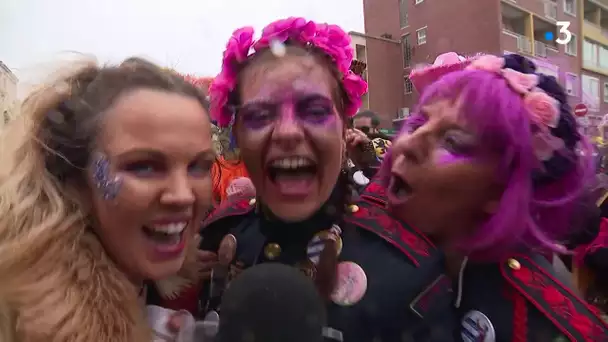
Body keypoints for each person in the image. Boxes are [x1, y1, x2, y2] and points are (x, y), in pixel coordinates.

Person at [150, 17, 457, 342]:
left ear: (343, 127)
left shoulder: (408, 271)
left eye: (313, 111)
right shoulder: (211, 240)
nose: (287, 133)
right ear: (237, 133)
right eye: (260, 115)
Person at [381, 52, 608, 340]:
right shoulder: (348, 243)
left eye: (452, 141)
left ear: (503, 191)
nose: (407, 144)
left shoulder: (537, 324)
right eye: (417, 124)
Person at [0, 57, 214, 341]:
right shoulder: (28, 321)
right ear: (74, 180)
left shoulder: (169, 279)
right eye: (144, 166)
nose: (183, 195)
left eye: (199, 166)